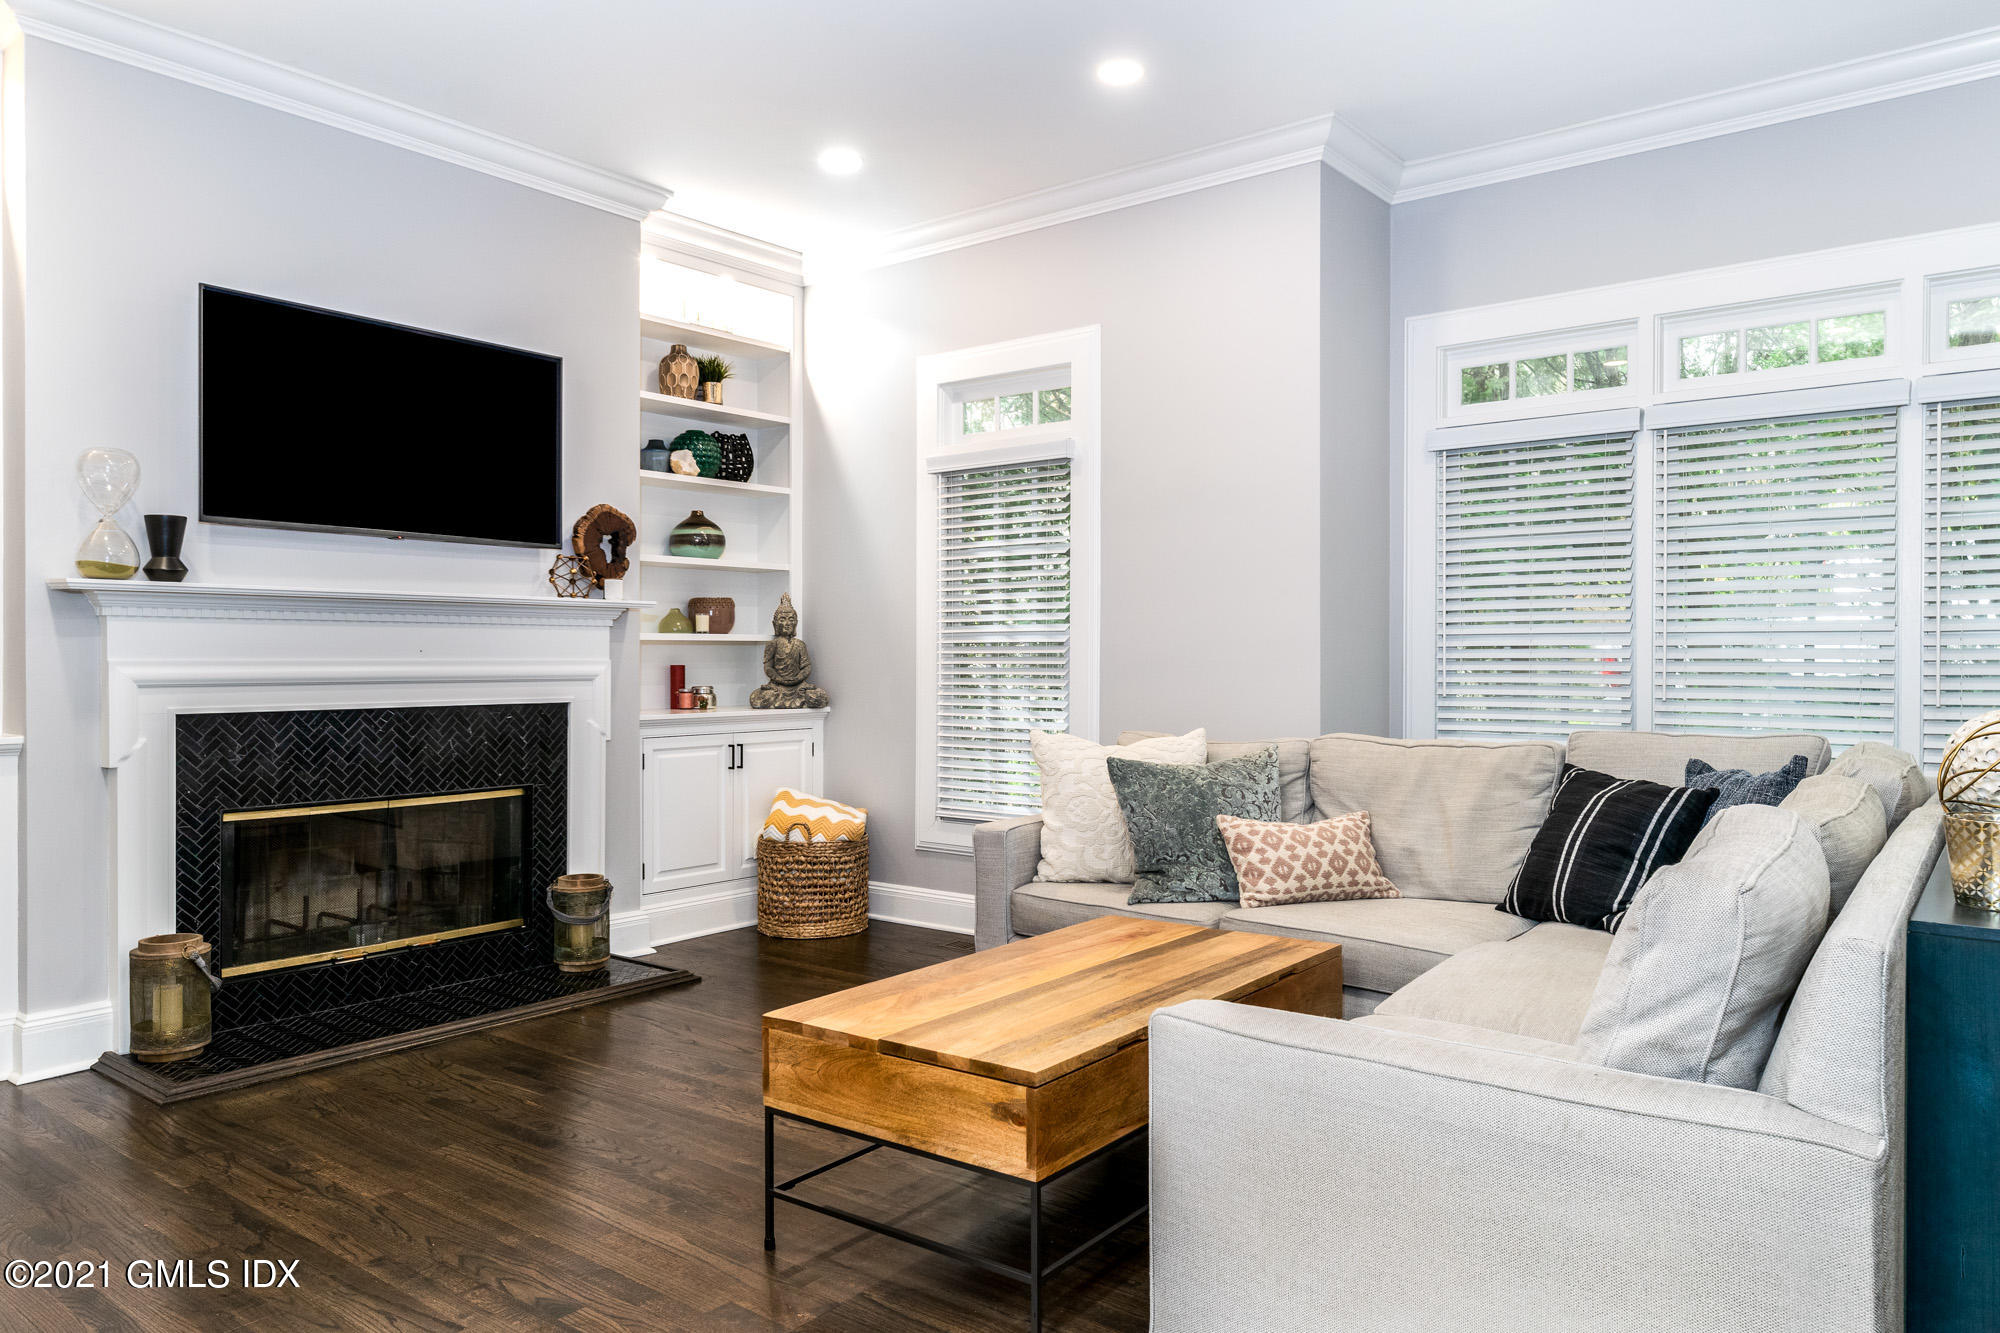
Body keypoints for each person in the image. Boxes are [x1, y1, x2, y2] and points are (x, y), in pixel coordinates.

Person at [750, 593, 830, 708]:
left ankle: (794, 699)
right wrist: (779, 678)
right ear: (775, 624)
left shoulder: (800, 644)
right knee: (756, 698)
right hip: (778, 687)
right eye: (782, 620)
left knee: (820, 697)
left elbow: (806, 667)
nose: (787, 624)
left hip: (798, 686)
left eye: (791, 619)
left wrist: (798, 678)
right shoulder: (772, 644)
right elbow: (768, 667)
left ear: (795, 623)